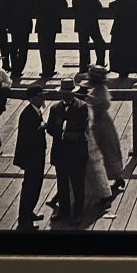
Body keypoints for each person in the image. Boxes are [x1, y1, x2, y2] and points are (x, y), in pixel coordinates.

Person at [47, 77, 90, 224]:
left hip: (77, 153)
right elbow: (51, 129)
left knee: (78, 184)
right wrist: (66, 130)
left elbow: (82, 126)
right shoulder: (54, 108)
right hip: (61, 153)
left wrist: (63, 127)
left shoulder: (82, 107)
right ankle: (63, 211)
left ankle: (77, 212)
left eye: (69, 92)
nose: (66, 94)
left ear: (73, 92)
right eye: (64, 92)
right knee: (62, 183)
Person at [80, 64, 126, 197]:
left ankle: (116, 177)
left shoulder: (99, 91)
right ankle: (116, 176)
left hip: (100, 123)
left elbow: (96, 103)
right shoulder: (99, 88)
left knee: (105, 149)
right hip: (101, 121)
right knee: (108, 149)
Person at [14, 84, 48, 228]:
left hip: (36, 155)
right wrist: (42, 128)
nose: (43, 99)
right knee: (30, 186)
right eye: (41, 97)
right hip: (31, 157)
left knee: (36, 184)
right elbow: (28, 137)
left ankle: (29, 212)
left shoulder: (35, 111)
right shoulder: (28, 114)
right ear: (34, 98)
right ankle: (24, 219)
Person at [108, 0, 137, 79]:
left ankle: (120, 70)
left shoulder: (119, 1)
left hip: (119, 31)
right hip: (131, 31)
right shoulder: (135, 2)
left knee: (118, 51)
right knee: (131, 51)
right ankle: (130, 69)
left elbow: (110, 5)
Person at [72, 0, 106, 73]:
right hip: (91, 24)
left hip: (80, 24)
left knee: (83, 46)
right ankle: (99, 66)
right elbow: (99, 9)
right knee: (100, 44)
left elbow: (74, 9)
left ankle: (83, 67)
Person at [35, 0, 67, 78]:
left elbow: (36, 8)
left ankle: (45, 70)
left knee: (43, 48)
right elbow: (65, 6)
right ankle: (51, 70)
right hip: (52, 25)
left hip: (42, 25)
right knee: (51, 48)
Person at [7, 0, 37, 80]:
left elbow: (8, 11)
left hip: (14, 25)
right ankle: (18, 70)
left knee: (14, 47)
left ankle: (15, 68)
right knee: (23, 48)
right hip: (25, 26)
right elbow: (38, 7)